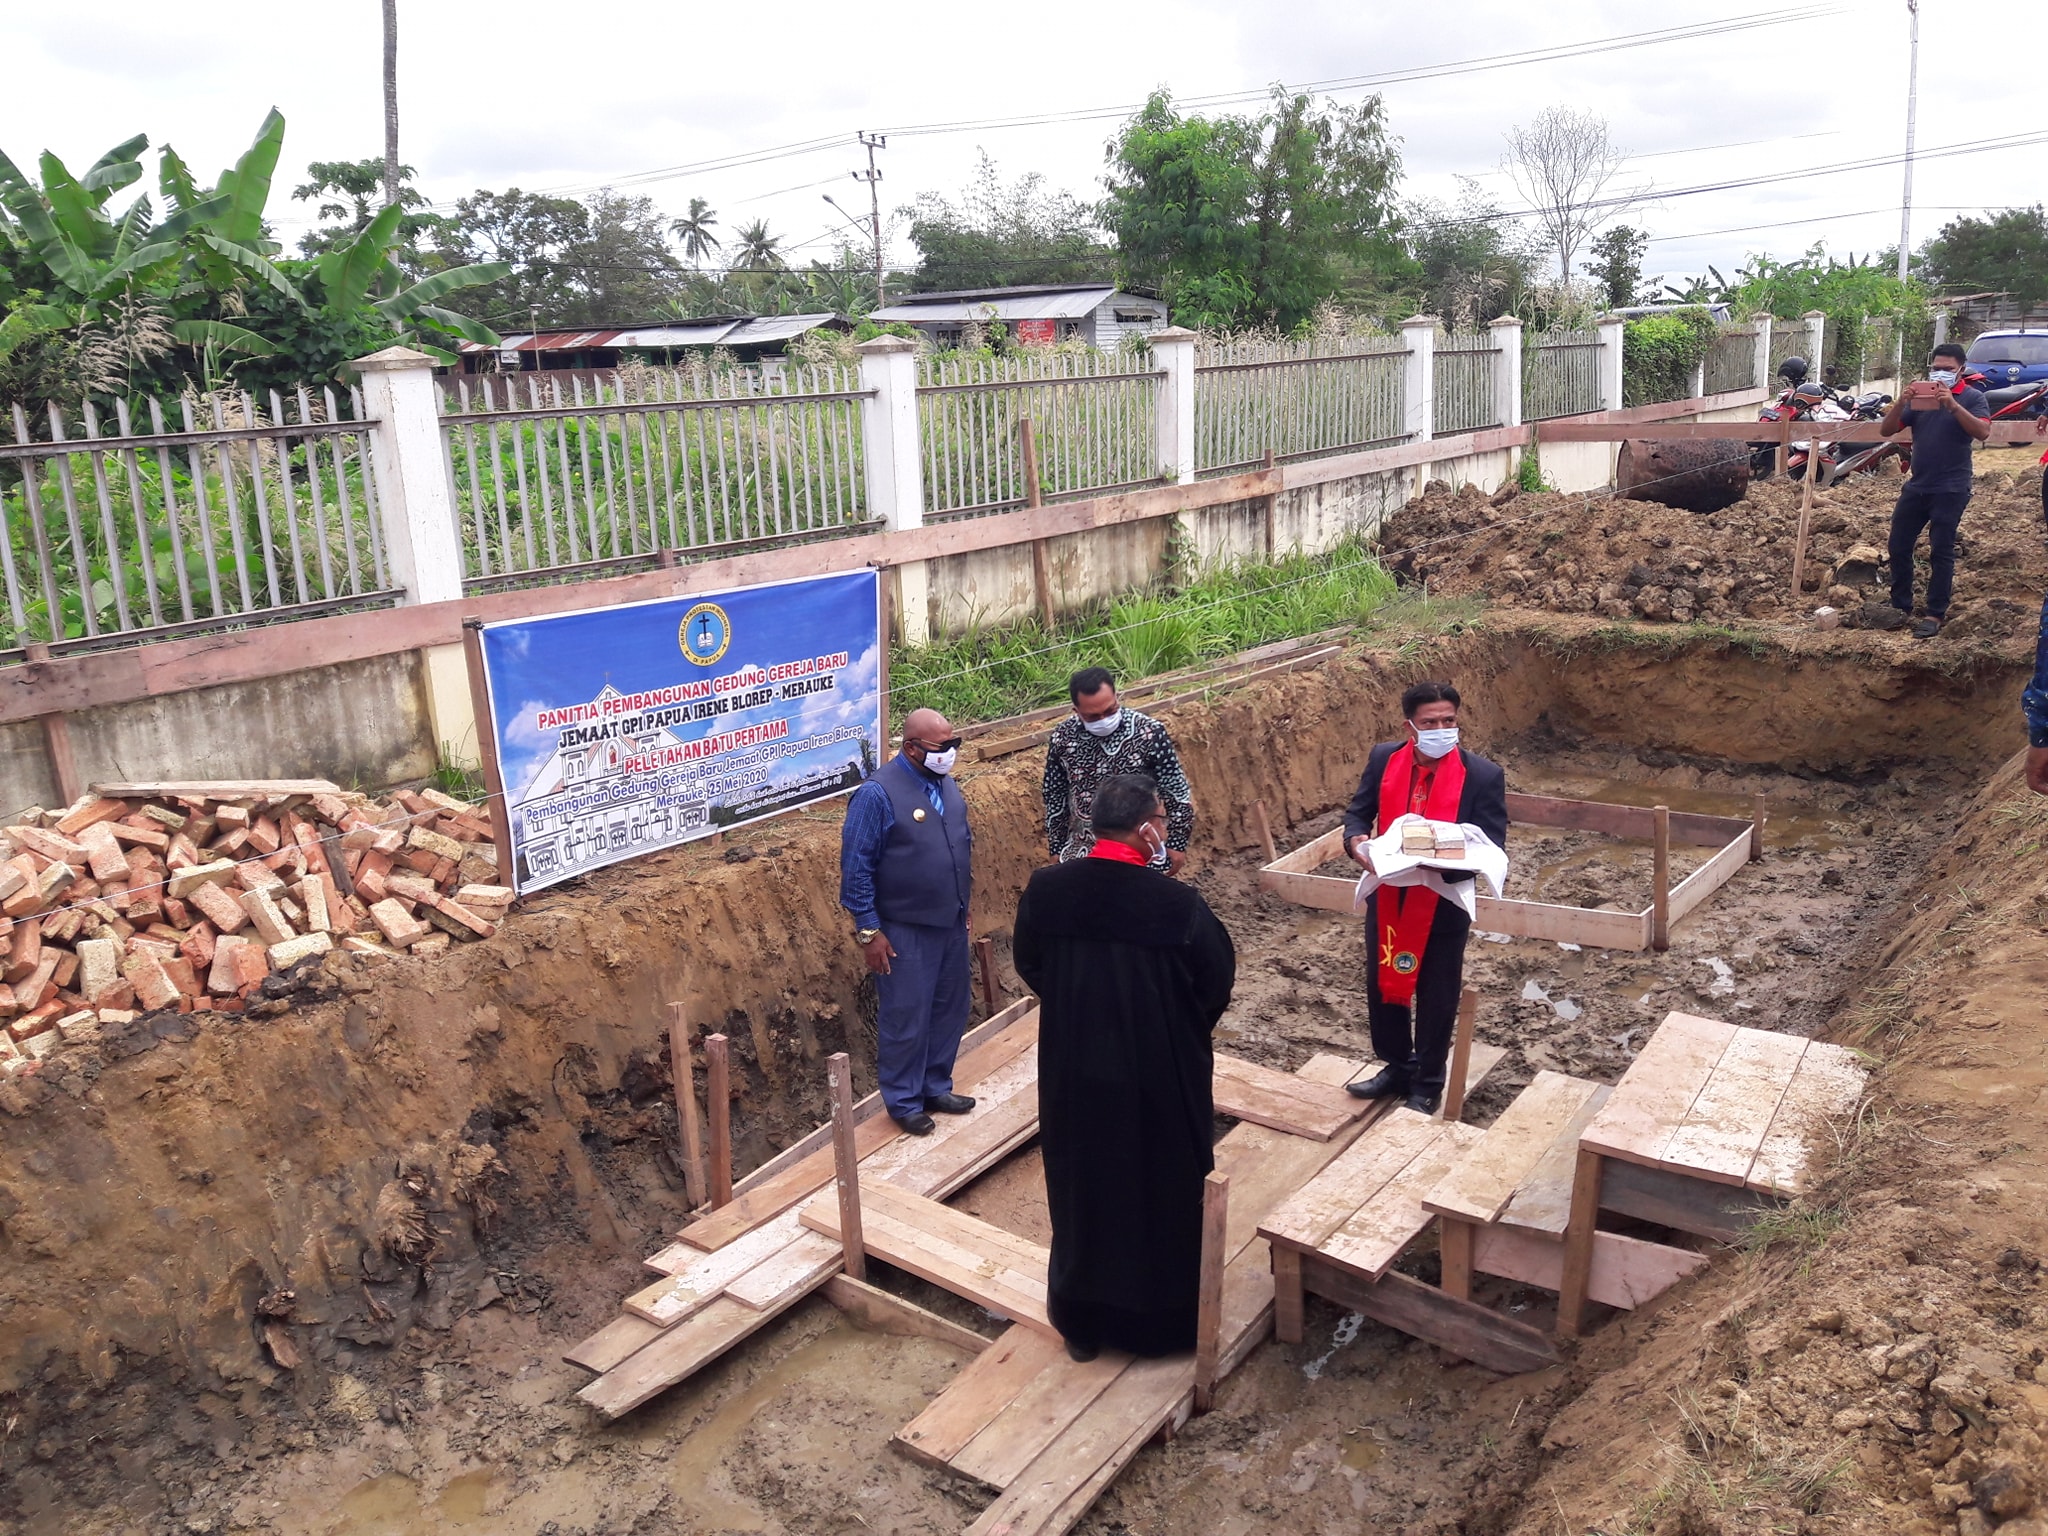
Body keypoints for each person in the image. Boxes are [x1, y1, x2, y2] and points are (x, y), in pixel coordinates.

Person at [1014, 773, 1236, 1361]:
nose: (1164, 829)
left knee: (1083, 1184)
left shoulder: (1048, 889)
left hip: (1074, 1070)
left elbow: (1030, 963)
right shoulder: (1176, 905)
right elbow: (1215, 982)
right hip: (1158, 1074)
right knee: (1162, 1184)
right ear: (1145, 830)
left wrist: (1078, 1009)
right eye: (1162, 820)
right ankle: (1163, 1327)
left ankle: (1082, 1323)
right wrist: (1175, 1029)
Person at [1340, 682, 1509, 1115]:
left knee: (1437, 993)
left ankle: (1428, 1082)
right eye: (1430, 723)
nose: (1441, 730)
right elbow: (1358, 814)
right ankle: (1397, 1066)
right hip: (1389, 891)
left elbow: (1491, 842)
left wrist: (1442, 861)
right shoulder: (1384, 759)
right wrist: (1356, 842)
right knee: (1384, 981)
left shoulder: (1483, 775)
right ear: (1409, 727)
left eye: (1448, 721)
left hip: (1443, 899)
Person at [838, 707, 974, 1136]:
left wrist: (963, 903)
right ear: (912, 748)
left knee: (949, 1008)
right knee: (907, 1016)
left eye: (954, 744)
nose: (950, 753)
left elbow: (959, 846)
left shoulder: (946, 785)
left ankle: (935, 1086)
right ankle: (904, 1100)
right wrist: (869, 930)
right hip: (904, 929)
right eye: (941, 746)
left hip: (949, 922)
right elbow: (856, 867)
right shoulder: (876, 795)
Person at [1880, 341, 1991, 639]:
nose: (1940, 374)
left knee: (1941, 549)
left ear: (1961, 370)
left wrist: (1952, 405)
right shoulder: (1921, 400)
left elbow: (1982, 431)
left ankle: (1934, 614)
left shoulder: (1973, 398)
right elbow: (1886, 430)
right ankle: (1900, 605)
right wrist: (1902, 402)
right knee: (1898, 545)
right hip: (1918, 485)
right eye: (1936, 368)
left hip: (1952, 488)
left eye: (1947, 369)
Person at [1041, 666, 1195, 874]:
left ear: (1117, 697)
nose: (1104, 720)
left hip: (1141, 850)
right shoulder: (1063, 738)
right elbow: (1054, 795)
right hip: (1085, 852)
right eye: (1093, 717)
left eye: (1110, 711)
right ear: (1077, 711)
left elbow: (1176, 790)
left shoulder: (1149, 733)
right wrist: (1056, 847)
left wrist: (1177, 842)